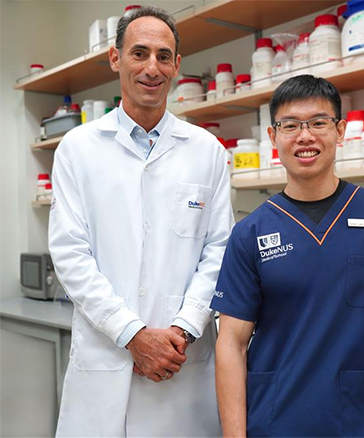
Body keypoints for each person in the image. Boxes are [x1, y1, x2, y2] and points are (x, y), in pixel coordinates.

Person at [211, 75, 364, 437]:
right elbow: (231, 343)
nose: (305, 136)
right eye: (290, 125)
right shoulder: (249, 233)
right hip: (277, 420)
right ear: (273, 137)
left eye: (319, 123)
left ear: (340, 131)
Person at [49, 6, 232, 437]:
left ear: (177, 66)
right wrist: (132, 334)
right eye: (139, 53)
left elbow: (220, 249)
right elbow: (70, 254)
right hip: (105, 360)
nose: (152, 67)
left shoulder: (207, 151)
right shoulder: (77, 149)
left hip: (181, 362)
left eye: (163, 56)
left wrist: (184, 329)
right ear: (116, 59)